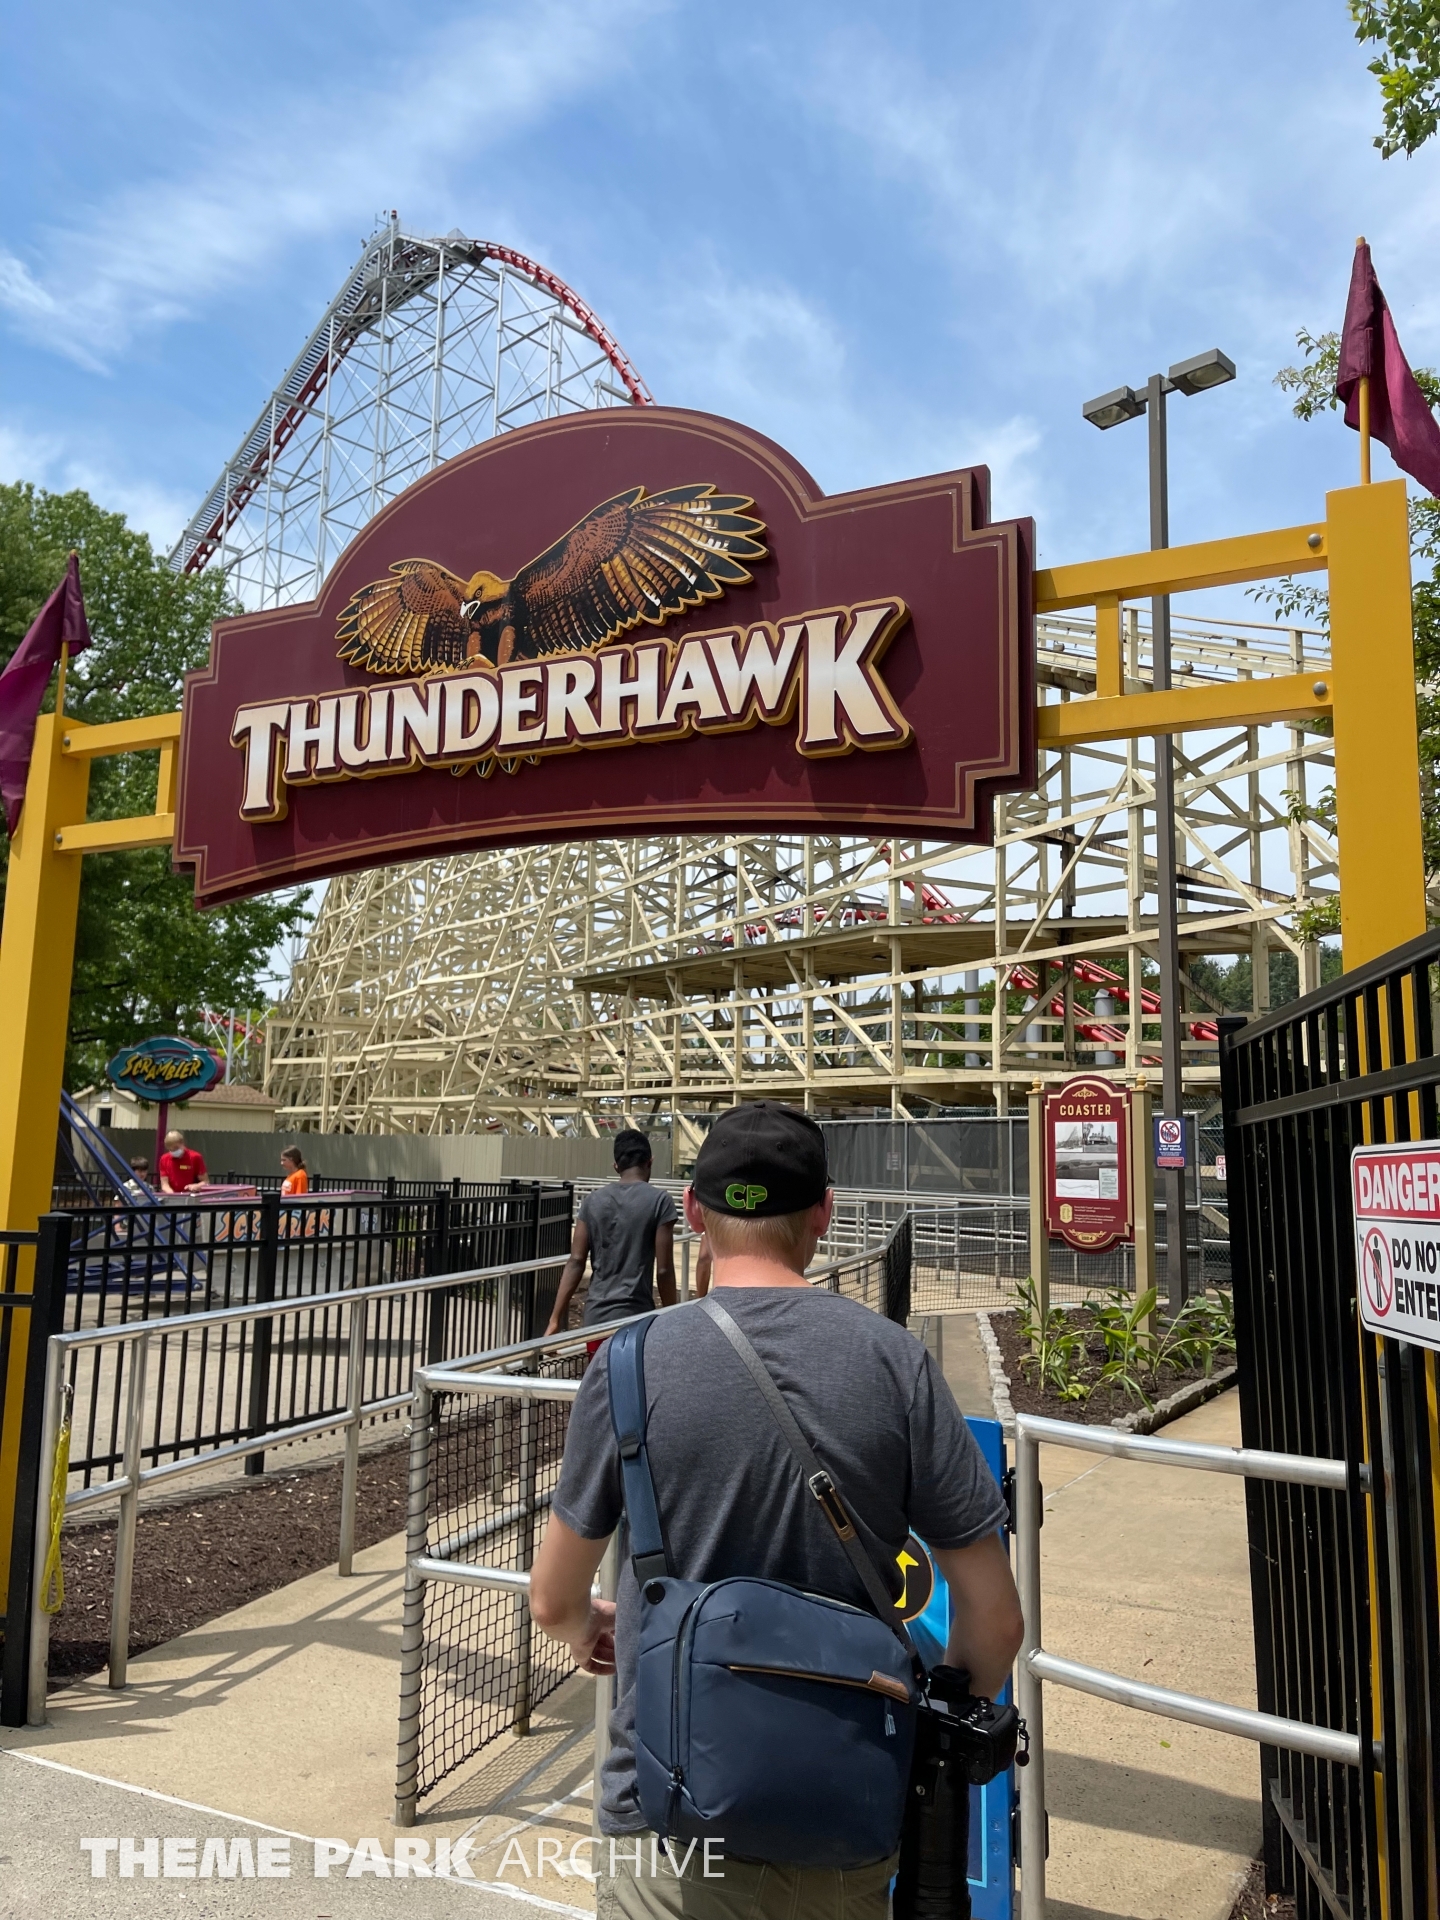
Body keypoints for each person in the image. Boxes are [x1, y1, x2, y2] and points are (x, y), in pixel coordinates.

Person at [530, 1101, 1023, 1918]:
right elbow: (996, 1621)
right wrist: (928, 1728)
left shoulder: (627, 1364)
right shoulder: (896, 1363)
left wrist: (593, 1629)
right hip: (845, 1809)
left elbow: (552, 1601)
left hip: (667, 1817)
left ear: (693, 1212)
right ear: (824, 1213)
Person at [544, 1130, 677, 1335]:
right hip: (636, 1318)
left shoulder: (592, 1201)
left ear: (616, 1167)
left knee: (598, 1358)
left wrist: (554, 1319)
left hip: (595, 1319)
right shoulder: (660, 1201)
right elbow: (664, 1270)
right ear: (650, 1162)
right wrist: (672, 1317)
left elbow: (576, 1262)